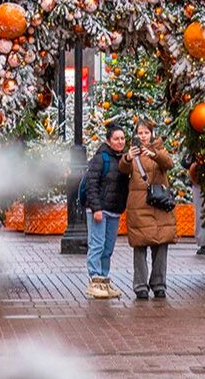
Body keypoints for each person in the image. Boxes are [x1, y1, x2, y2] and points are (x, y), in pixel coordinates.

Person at [121, 118, 177, 299]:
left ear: (152, 134)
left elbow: (168, 164)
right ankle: (140, 286)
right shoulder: (132, 152)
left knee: (161, 245)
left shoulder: (159, 149)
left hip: (160, 205)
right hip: (139, 205)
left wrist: (154, 154)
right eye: (140, 133)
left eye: (146, 133)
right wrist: (128, 157)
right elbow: (122, 169)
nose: (143, 136)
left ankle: (159, 284)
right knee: (140, 245)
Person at [83, 123, 130, 299]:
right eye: (116, 138)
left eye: (122, 138)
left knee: (108, 248)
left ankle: (104, 280)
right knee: (97, 245)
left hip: (114, 211)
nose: (120, 142)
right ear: (108, 141)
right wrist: (96, 208)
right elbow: (91, 184)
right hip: (99, 210)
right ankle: (94, 279)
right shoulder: (101, 158)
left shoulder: (123, 159)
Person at [184, 153, 205, 255]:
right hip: (199, 175)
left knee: (201, 210)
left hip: (200, 175)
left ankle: (204, 243)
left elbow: (186, 161)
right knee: (201, 210)